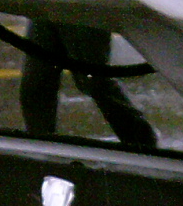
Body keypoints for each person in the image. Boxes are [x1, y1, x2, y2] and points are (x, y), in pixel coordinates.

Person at [19, 22, 157, 148]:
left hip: (79, 12)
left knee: (93, 81)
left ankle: (141, 140)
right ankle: (40, 144)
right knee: (36, 84)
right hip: (48, 8)